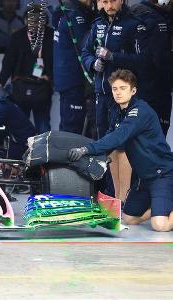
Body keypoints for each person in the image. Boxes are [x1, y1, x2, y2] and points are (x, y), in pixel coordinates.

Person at [69, 69, 173, 232]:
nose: (118, 93)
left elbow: (118, 137)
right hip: (143, 179)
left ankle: (162, 212)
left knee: (160, 226)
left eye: (123, 88)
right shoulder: (118, 112)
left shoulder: (139, 111)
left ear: (133, 90)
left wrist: (86, 149)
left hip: (162, 175)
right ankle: (162, 209)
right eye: (115, 89)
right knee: (129, 218)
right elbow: (110, 138)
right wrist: (94, 156)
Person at [81, 0, 148, 201]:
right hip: (100, 94)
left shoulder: (134, 24)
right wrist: (93, 63)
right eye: (104, 1)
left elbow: (143, 60)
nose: (108, 5)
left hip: (122, 98)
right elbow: (85, 53)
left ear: (121, 1)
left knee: (123, 145)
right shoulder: (97, 24)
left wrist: (113, 57)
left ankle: (126, 196)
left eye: (112, 0)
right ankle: (109, 193)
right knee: (103, 144)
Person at [0, 3, 54, 134]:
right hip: (20, 86)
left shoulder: (51, 36)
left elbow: (57, 60)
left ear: (44, 20)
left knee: (43, 125)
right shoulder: (18, 36)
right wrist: (0, 82)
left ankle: (44, 153)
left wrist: (51, 78)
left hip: (42, 87)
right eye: (31, 19)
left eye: (38, 19)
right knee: (21, 123)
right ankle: (20, 152)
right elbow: (8, 62)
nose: (34, 22)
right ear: (25, 20)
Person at [131, 0, 172, 136]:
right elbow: (160, 59)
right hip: (157, 89)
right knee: (156, 137)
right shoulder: (157, 20)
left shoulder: (132, 13)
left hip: (135, 87)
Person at [53, 0, 95, 134]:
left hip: (66, 78)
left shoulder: (64, 10)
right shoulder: (76, 15)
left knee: (68, 126)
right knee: (72, 128)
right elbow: (87, 45)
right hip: (74, 79)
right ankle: (67, 155)